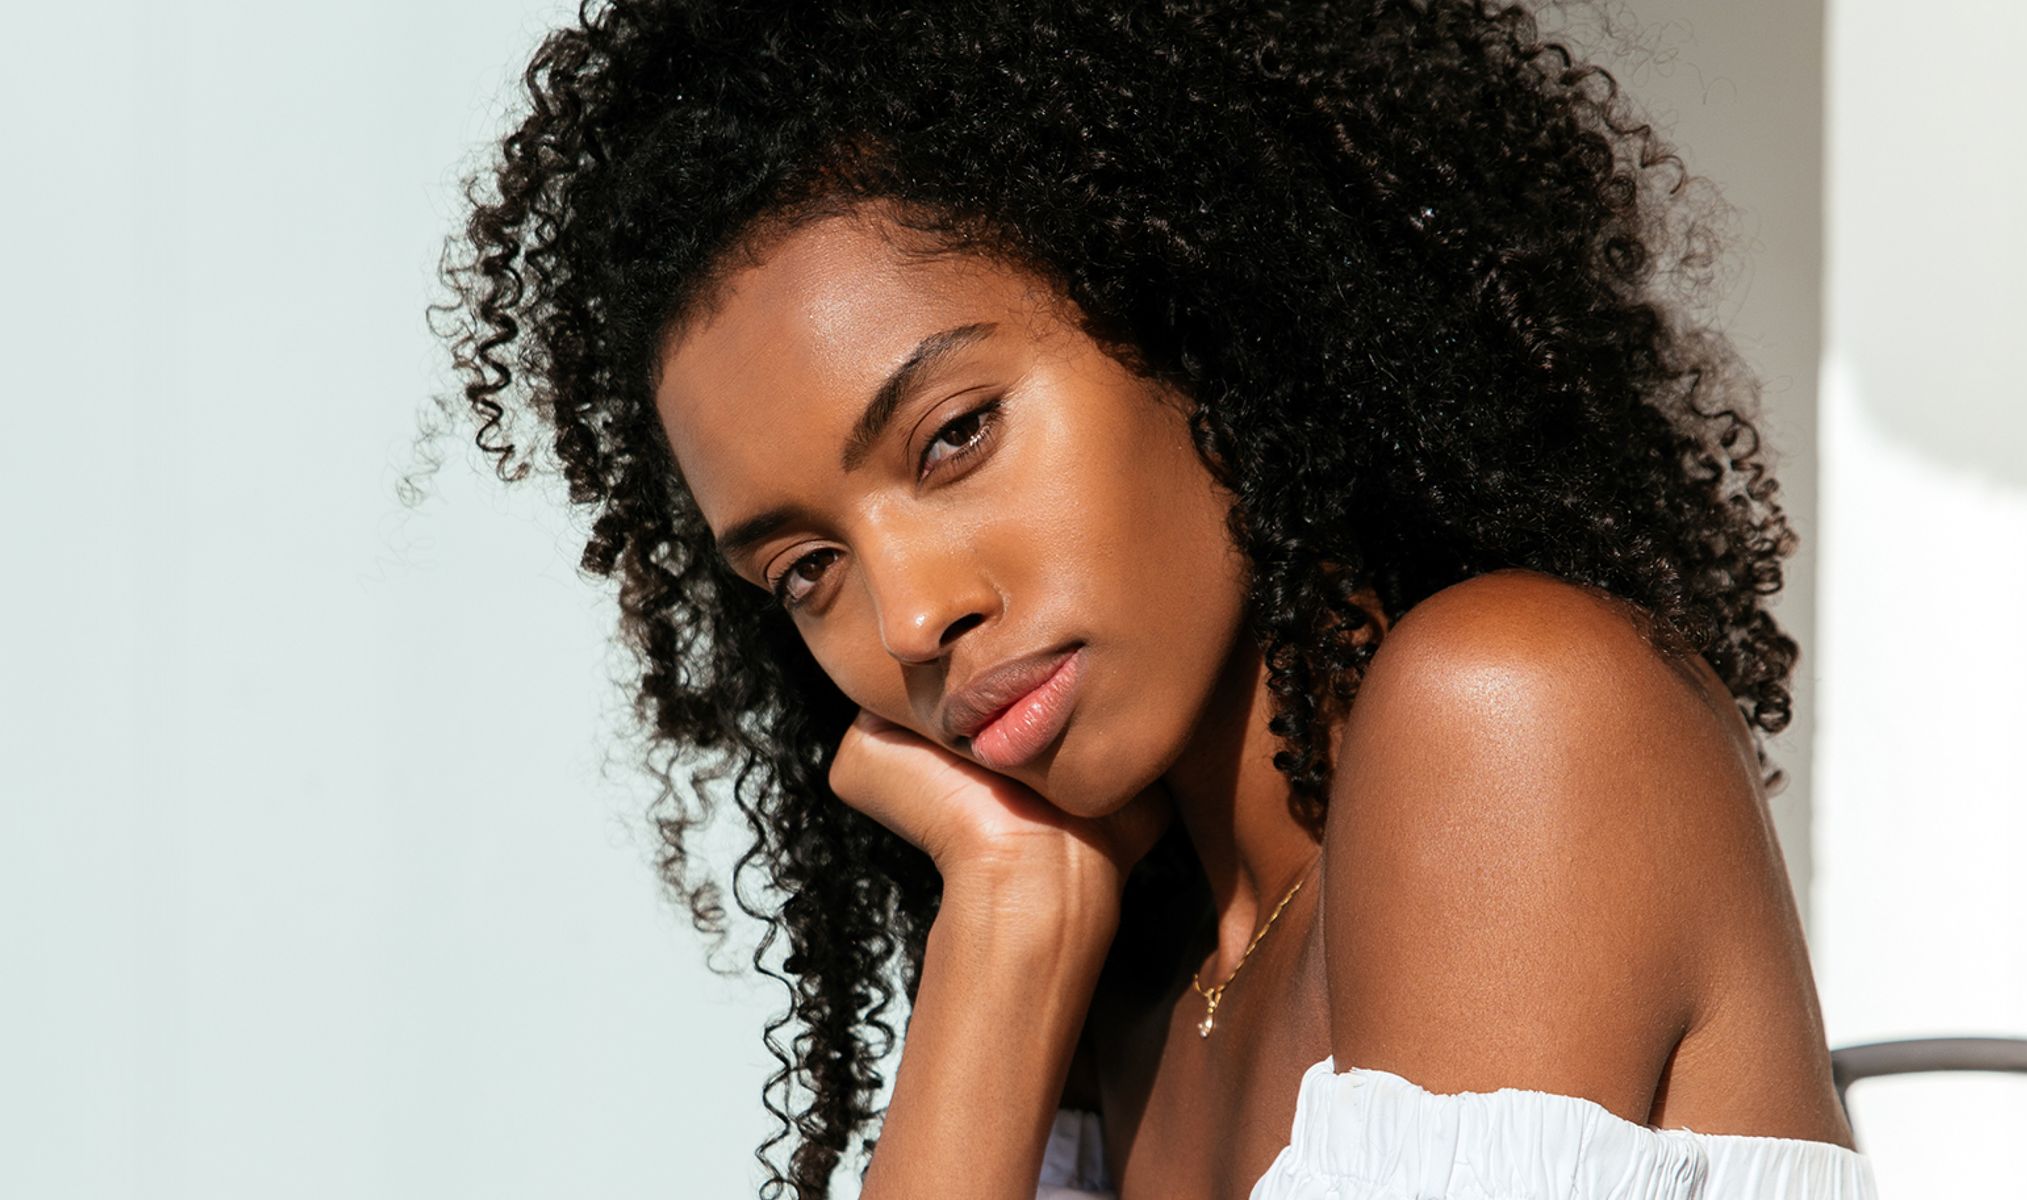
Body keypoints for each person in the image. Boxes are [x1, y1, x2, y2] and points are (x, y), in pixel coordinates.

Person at [425, 1, 1878, 1196]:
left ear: (1194, 304)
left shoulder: (1510, 714)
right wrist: (1004, 926)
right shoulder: (1134, 968)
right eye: (808, 571)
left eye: (955, 436)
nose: (910, 617)